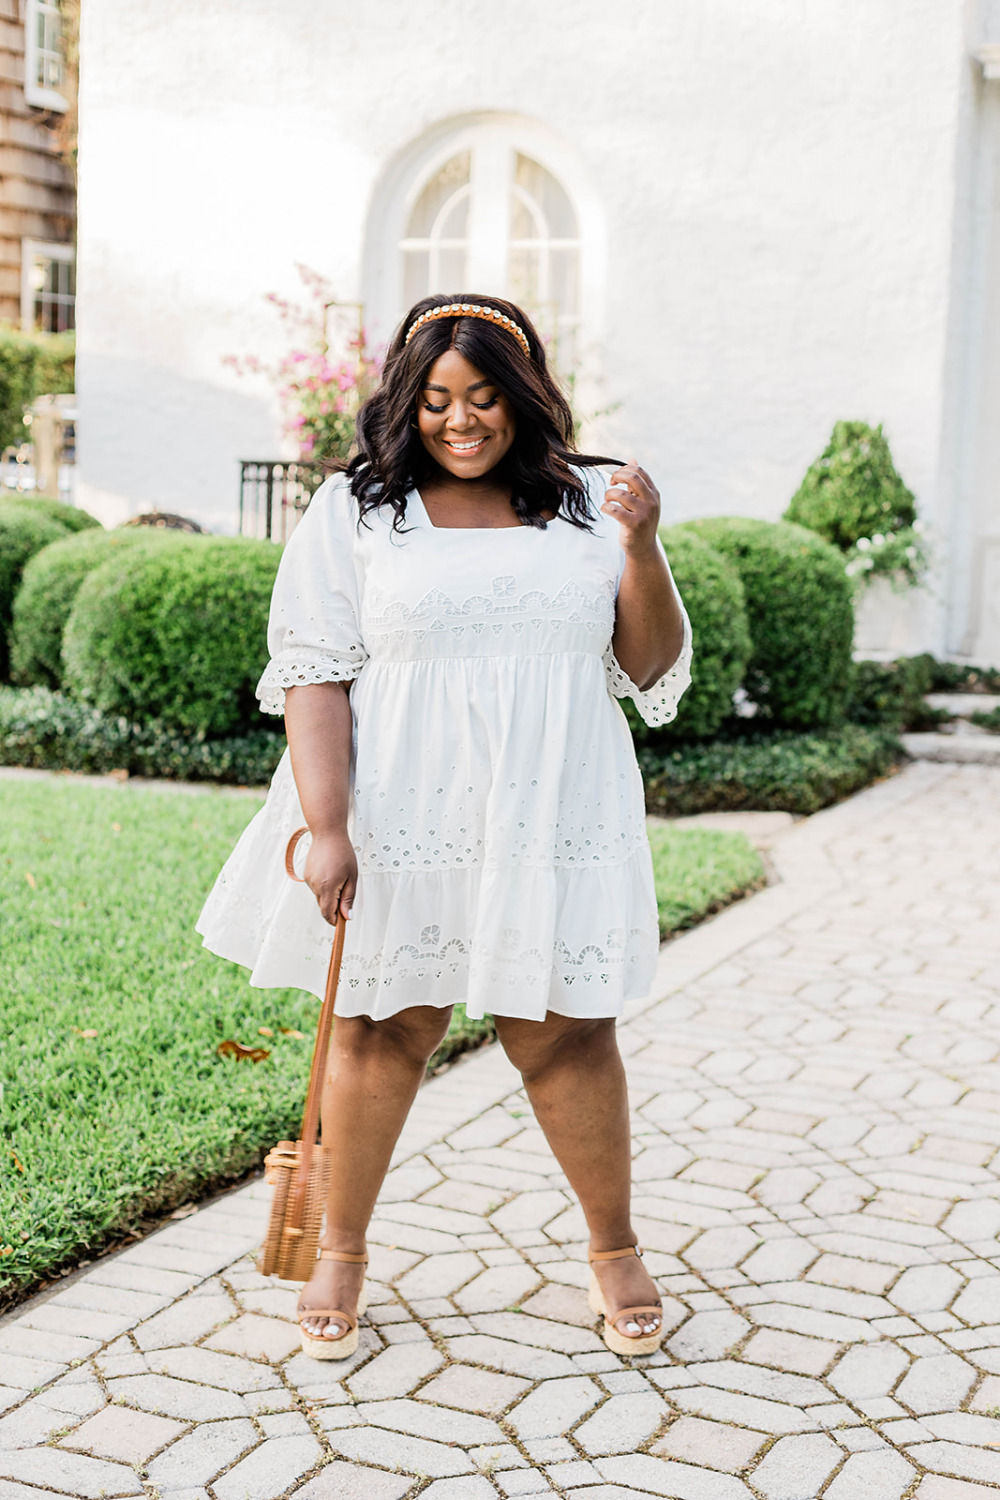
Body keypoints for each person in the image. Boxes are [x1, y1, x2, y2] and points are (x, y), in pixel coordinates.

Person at [198, 293, 692, 1361]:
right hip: (399, 805)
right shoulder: (359, 509)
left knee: (565, 1031)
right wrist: (327, 827)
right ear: (405, 405)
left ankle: (614, 1252)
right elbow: (316, 671)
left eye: (481, 398)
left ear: (524, 399)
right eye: (433, 401)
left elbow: (645, 665)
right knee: (383, 1027)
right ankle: (339, 1249)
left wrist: (643, 546)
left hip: (551, 804)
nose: (459, 421)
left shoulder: (595, 500)